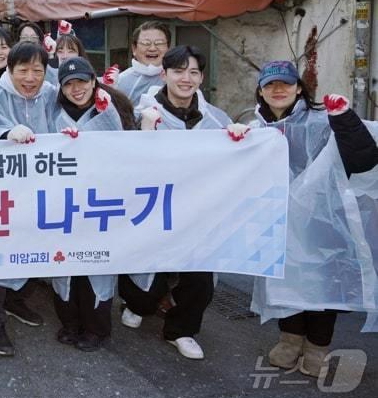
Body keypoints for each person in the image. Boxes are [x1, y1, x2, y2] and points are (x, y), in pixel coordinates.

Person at [247, 61, 378, 377]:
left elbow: (364, 158)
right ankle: (290, 340)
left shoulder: (322, 121)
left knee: (323, 284)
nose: (278, 90)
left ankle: (318, 347)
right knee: (282, 281)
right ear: (261, 91)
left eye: (286, 84)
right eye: (271, 85)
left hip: (320, 222)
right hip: (274, 222)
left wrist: (345, 120)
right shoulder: (253, 128)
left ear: (298, 88)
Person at [120, 45, 240, 360]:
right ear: (164, 74)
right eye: (178, 71)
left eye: (193, 72)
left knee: (199, 279)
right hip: (152, 207)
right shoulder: (143, 110)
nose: (186, 79)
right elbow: (119, 158)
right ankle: (138, 304)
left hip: (198, 211)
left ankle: (181, 330)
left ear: (201, 77)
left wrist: (243, 135)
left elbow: (234, 154)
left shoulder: (214, 118)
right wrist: (143, 130)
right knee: (146, 276)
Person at [49, 57, 135, 352]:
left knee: (96, 266)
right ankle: (70, 323)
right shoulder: (53, 113)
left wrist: (106, 113)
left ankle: (97, 328)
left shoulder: (114, 109)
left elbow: (129, 152)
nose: (76, 89)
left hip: (100, 203)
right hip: (63, 205)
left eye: (82, 82)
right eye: (69, 83)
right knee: (64, 267)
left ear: (94, 82)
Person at [0, 41, 60, 356]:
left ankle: (15, 298)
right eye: (22, 70)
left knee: (32, 245)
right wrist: (5, 134)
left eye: (37, 70)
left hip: (43, 186)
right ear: (9, 70)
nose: (30, 77)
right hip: (4, 189)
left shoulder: (52, 94)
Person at [116, 21, 171, 104]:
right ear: (134, 48)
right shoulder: (120, 81)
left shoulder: (177, 78)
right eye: (146, 43)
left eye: (159, 43)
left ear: (168, 48)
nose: (152, 48)